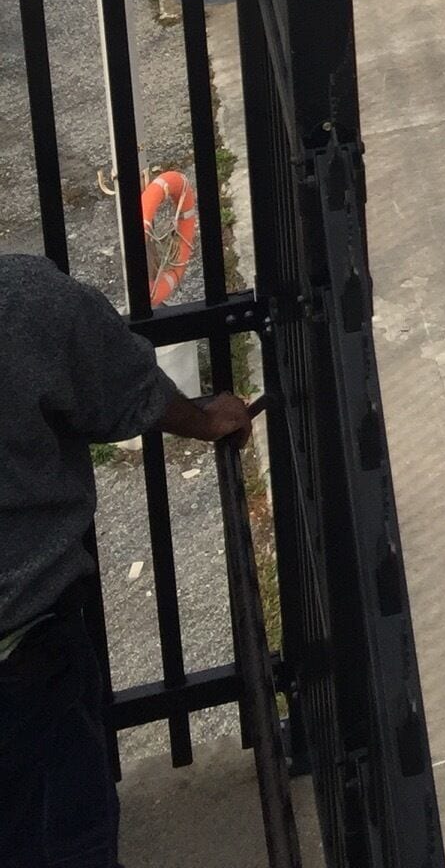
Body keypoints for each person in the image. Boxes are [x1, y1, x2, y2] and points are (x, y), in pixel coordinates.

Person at [1, 252, 253, 868]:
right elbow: (123, 388)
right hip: (26, 652)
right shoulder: (21, 301)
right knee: (60, 841)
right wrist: (210, 419)